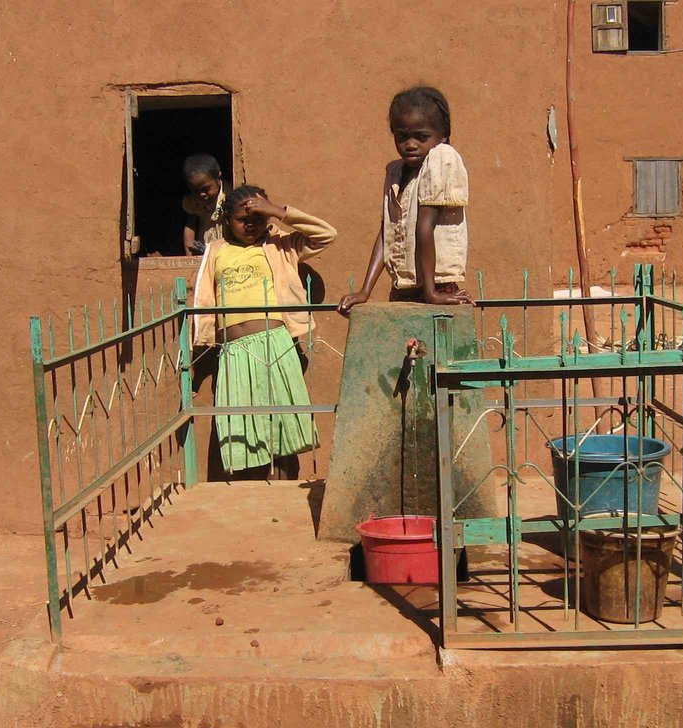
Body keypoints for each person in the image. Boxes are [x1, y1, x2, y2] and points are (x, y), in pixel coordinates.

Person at [193, 184, 337, 479]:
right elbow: (206, 298)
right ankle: (251, 496)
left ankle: (283, 490)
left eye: (258, 218)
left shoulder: (280, 245)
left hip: (276, 347)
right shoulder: (217, 251)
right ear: (225, 220)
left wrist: (277, 211)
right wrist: (201, 346)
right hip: (235, 353)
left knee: (281, 425)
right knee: (244, 427)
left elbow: (327, 234)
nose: (250, 225)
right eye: (242, 219)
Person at [338, 86, 472, 314]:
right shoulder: (395, 171)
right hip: (403, 288)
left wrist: (431, 294)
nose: (410, 144)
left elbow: (425, 226)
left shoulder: (440, 159)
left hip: (437, 287)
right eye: (402, 136)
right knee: (406, 349)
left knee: (432, 348)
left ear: (443, 136)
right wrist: (364, 291)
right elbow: (386, 233)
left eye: (421, 137)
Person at [182, 154, 228, 257]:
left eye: (206, 189)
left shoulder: (229, 195)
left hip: (225, 250)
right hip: (204, 250)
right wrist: (189, 257)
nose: (201, 194)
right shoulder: (194, 200)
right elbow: (190, 227)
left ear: (218, 178)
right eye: (195, 190)